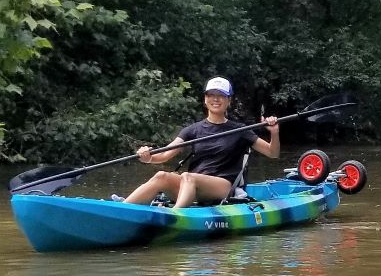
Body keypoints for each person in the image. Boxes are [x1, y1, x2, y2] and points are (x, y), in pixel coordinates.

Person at [118, 77, 279, 208]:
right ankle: (123, 209)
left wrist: (274, 132)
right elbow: (165, 154)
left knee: (188, 176)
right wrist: (148, 157)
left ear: (229, 100)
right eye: (211, 95)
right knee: (161, 176)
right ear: (205, 99)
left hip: (222, 186)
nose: (215, 99)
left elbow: (273, 153)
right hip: (191, 185)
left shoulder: (240, 130)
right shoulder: (193, 130)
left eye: (221, 95)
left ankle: (175, 215)